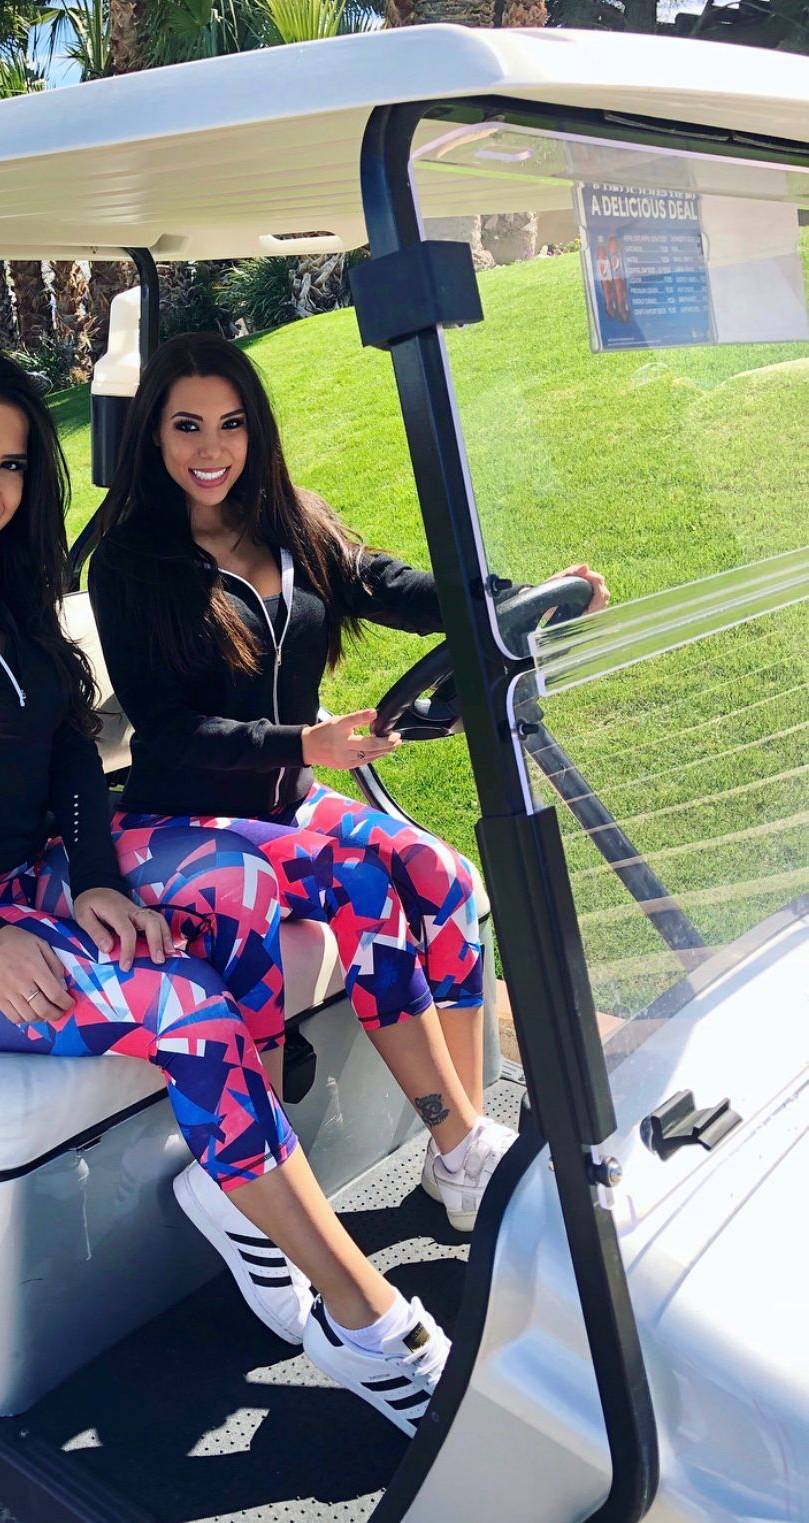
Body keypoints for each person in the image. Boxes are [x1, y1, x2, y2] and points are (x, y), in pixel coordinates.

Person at [0, 337, 454, 1434]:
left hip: (39, 875)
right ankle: (362, 1318)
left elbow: (68, 756)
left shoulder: (2, 593)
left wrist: (91, 876)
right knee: (189, 1009)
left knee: (237, 876)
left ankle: (242, 1174)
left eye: (10, 466)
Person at [89, 332, 610, 1244]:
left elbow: (392, 584)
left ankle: (460, 1153)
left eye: (232, 424)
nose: (211, 449)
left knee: (442, 875)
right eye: (186, 427)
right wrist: (306, 740)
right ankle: (466, 1146)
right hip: (187, 813)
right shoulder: (132, 565)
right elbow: (165, 730)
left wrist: (519, 596)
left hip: (289, 797)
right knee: (364, 887)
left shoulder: (292, 521)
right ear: (153, 438)